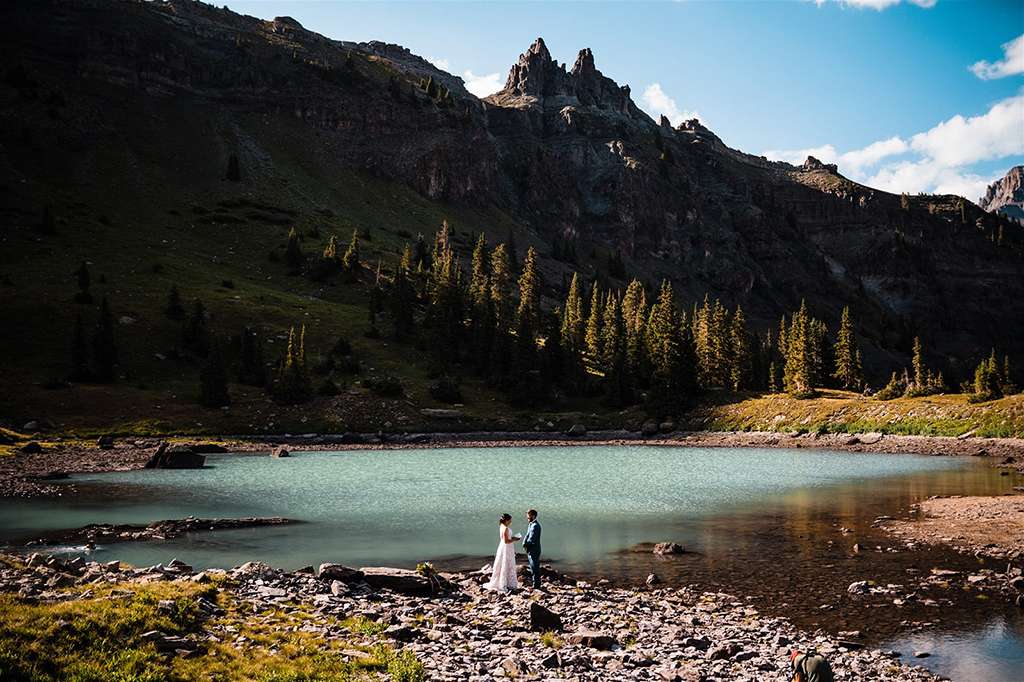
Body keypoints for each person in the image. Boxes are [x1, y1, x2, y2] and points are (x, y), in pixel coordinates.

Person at [484, 513, 520, 593]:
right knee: (507, 563)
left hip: (503, 546)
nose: (511, 522)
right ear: (506, 520)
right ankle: (506, 583)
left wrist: (513, 538)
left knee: (503, 563)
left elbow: (506, 538)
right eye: (510, 520)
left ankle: (504, 582)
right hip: (506, 547)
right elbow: (506, 541)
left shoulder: (501, 526)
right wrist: (515, 539)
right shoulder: (506, 528)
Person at [522, 509, 542, 590]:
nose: (527, 517)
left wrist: (525, 545)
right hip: (531, 549)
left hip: (534, 549)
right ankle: (535, 583)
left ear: (533, 516)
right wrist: (524, 543)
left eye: (528, 516)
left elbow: (531, 539)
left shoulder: (535, 526)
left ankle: (536, 585)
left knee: (534, 567)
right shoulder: (531, 524)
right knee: (532, 566)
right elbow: (527, 535)